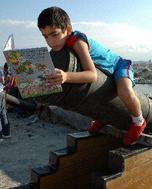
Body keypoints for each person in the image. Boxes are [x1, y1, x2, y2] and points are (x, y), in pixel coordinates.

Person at [37, 6, 146, 145]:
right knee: (99, 96)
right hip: (104, 73)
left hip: (118, 65)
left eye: (54, 34)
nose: (51, 42)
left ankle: (138, 121)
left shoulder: (77, 41)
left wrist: (66, 76)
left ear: (68, 30)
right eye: (45, 36)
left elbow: (92, 75)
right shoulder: (59, 49)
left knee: (124, 91)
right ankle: (105, 117)